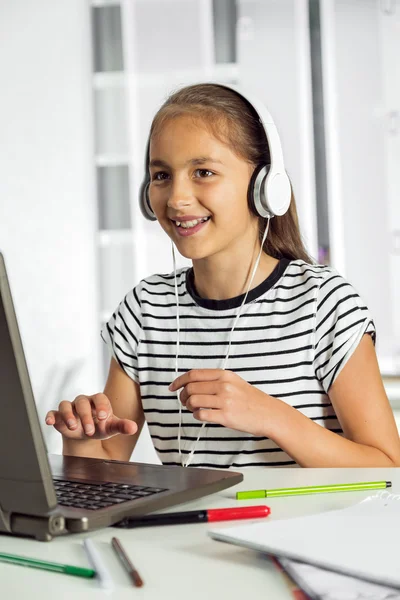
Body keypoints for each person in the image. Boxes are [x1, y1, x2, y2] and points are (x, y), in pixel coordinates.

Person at [45, 83, 400, 468]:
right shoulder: (145, 311)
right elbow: (107, 470)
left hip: (307, 528)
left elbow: (387, 466)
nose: (177, 197)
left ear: (265, 185)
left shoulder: (323, 304)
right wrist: (81, 440)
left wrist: (271, 415)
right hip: (192, 528)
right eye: (162, 175)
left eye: (203, 172)